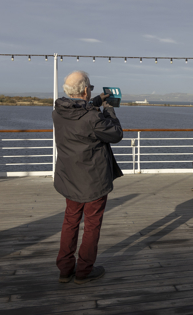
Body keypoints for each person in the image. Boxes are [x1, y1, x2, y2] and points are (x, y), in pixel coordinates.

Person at [52, 71, 123, 285]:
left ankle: (65, 270)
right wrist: (108, 108)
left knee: (70, 222)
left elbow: (79, 109)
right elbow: (116, 134)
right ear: (85, 90)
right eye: (90, 88)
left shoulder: (58, 112)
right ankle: (84, 271)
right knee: (92, 225)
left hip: (69, 178)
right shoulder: (93, 117)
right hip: (93, 181)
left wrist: (95, 100)